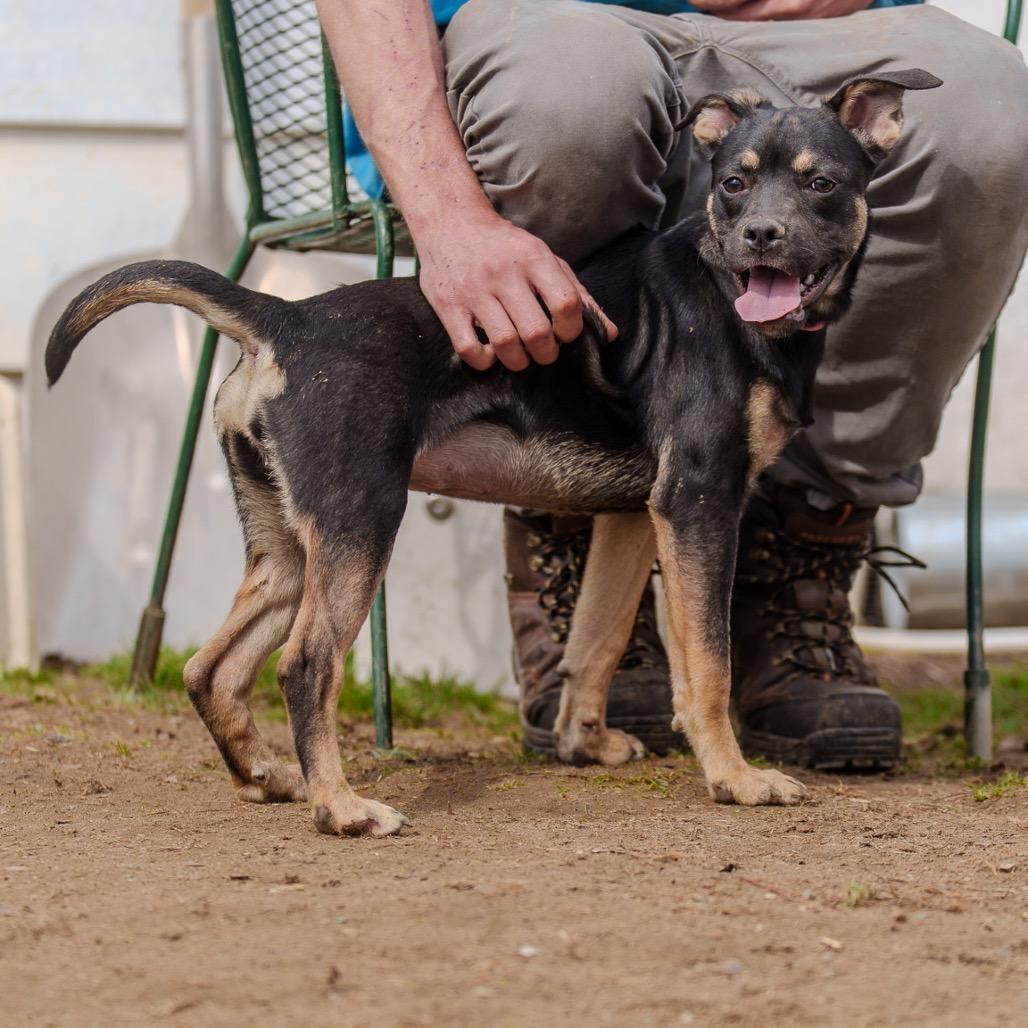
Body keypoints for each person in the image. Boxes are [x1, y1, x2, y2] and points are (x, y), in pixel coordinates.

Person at [316, 0, 1028, 768]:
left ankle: (801, 549)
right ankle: (569, 506)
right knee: (566, 104)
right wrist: (444, 215)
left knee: (993, 109)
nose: (763, 226)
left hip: (833, 20)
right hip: (557, 15)